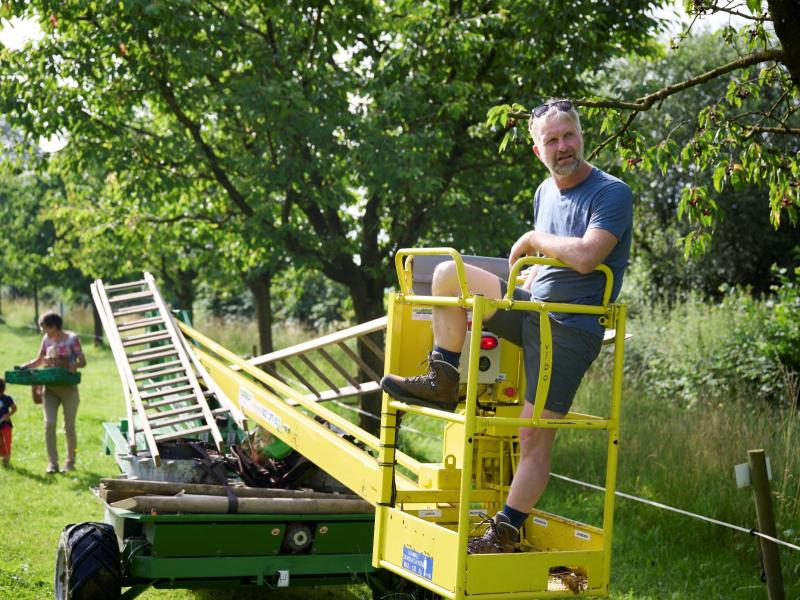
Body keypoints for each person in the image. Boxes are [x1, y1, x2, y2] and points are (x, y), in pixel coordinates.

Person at [380, 100, 633, 553]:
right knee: (445, 273)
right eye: (551, 140)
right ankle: (443, 376)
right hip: (531, 305)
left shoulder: (611, 192)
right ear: (538, 150)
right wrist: (534, 270)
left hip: (570, 326)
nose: (562, 147)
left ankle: (506, 529)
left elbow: (586, 256)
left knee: (532, 433)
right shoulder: (544, 192)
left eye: (568, 135)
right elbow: (554, 260)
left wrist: (534, 241)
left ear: (581, 134)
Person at [21, 311, 87, 474]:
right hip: (49, 389)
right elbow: (40, 360)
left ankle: (70, 462)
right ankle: (52, 463)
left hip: (68, 389)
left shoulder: (72, 339)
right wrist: (26, 366)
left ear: (54, 326)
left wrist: (74, 365)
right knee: (49, 424)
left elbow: (83, 362)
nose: (43, 331)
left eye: (45, 328)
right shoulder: (46, 340)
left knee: (68, 427)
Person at [0, 378, 17, 467]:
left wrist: (8, 415)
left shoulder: (7, 398)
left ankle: (7, 457)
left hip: (5, 424)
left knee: (7, 441)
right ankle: (3, 456)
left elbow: (14, 408)